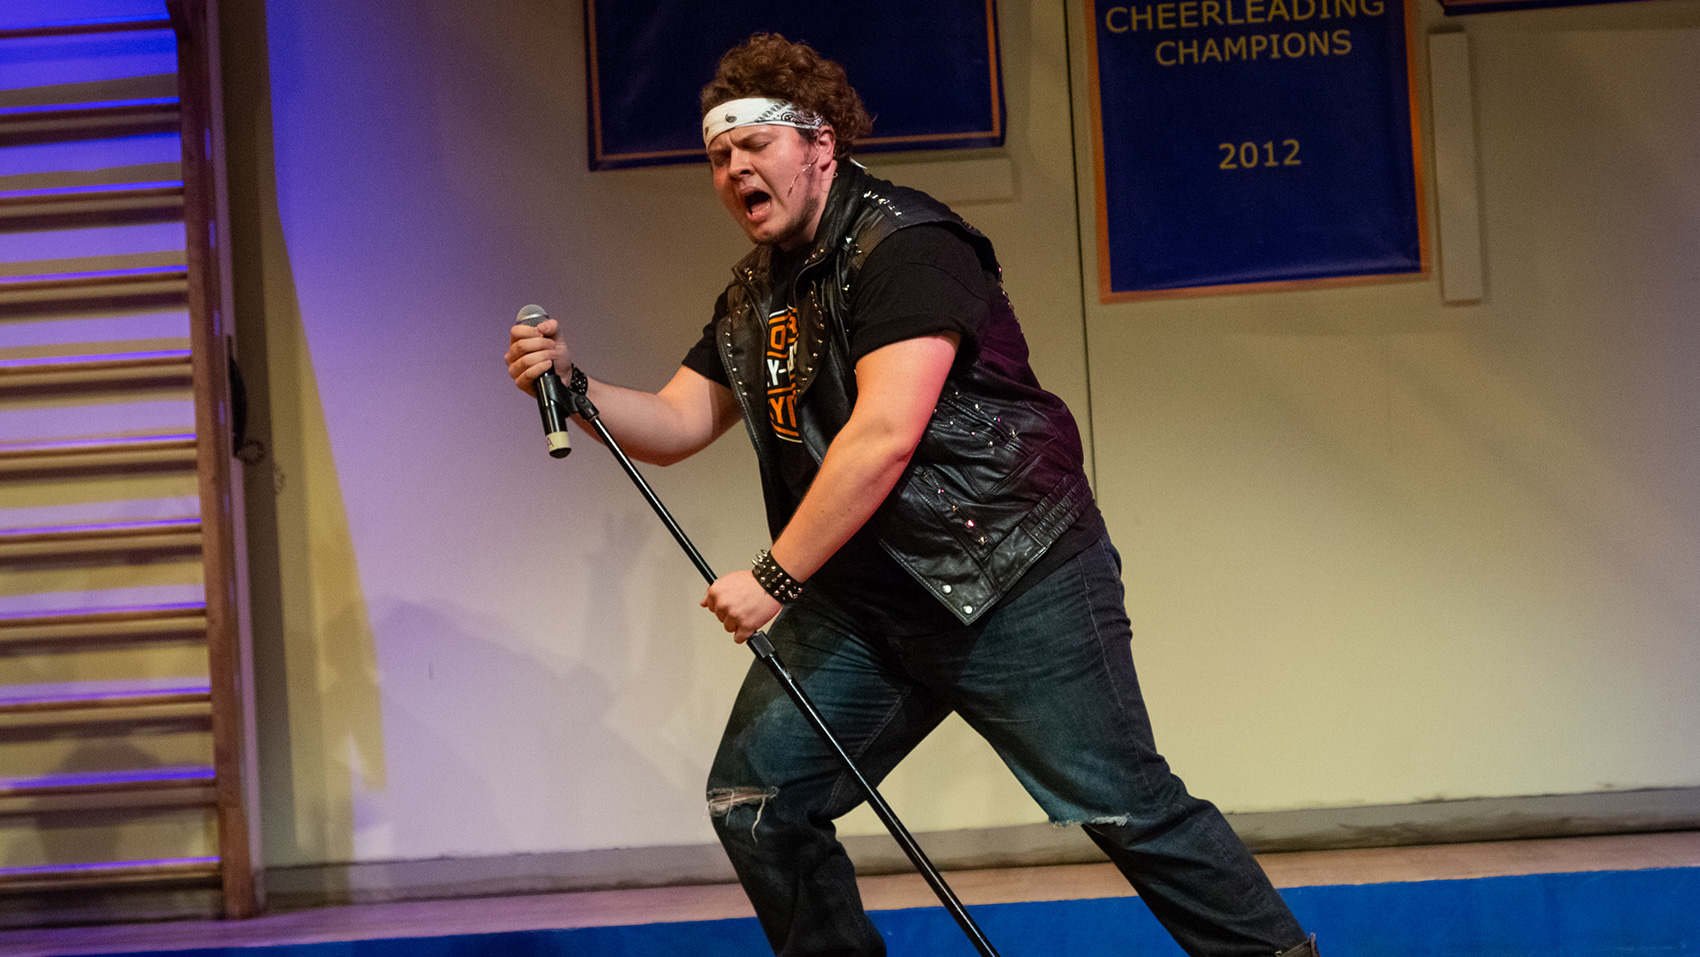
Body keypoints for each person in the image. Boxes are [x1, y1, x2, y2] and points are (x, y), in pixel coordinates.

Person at [505, 32, 1318, 957]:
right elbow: (676, 420)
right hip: (868, 602)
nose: (733, 171)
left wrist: (775, 575)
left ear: (820, 143)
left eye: (752, 146)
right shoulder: (756, 295)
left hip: (1010, 576)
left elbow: (884, 436)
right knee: (759, 798)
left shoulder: (908, 244)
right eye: (718, 156)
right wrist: (575, 382)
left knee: (1128, 804)